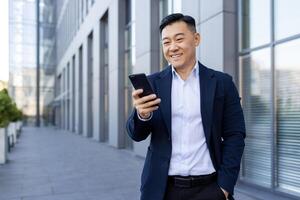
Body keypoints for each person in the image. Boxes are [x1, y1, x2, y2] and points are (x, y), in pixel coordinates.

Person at [126, 13, 245, 200]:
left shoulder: (222, 82)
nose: (172, 47)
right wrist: (142, 114)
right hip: (162, 190)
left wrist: (225, 186)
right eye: (166, 42)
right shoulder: (153, 84)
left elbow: (235, 134)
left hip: (210, 189)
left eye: (179, 39)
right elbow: (136, 134)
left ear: (196, 39)